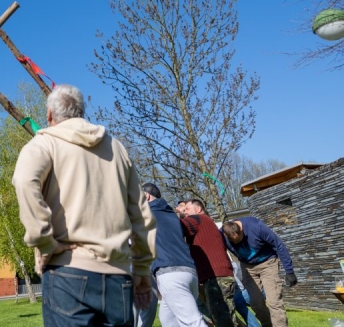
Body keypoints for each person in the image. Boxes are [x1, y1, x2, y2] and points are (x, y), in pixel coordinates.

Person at [12, 84, 157, 327]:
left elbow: (25, 181)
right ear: (81, 111)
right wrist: (142, 268)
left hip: (68, 271)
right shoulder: (117, 148)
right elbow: (141, 214)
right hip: (118, 276)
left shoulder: (44, 145)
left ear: (49, 115)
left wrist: (45, 242)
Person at [141, 184, 207, 327]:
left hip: (170, 274)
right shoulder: (172, 216)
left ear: (146, 196)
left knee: (193, 322)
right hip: (190, 273)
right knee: (167, 319)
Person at [222, 219, 296, 327]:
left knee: (274, 302)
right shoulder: (221, 235)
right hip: (248, 267)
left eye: (240, 239)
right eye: (234, 242)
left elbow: (279, 245)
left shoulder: (256, 227)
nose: (237, 243)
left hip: (268, 263)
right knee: (256, 303)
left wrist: (289, 271)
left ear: (241, 230)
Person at [180, 200, 236, 327]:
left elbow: (177, 226)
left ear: (198, 209)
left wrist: (175, 212)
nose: (185, 212)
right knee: (225, 315)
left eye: (187, 209)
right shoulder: (206, 222)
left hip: (216, 275)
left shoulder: (199, 219)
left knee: (222, 316)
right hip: (215, 274)